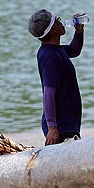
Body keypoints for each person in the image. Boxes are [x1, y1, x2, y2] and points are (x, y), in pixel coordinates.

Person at [27, 9, 84, 146]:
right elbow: (48, 93)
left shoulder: (55, 51)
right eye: (57, 20)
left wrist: (79, 32)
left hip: (67, 122)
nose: (61, 21)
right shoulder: (50, 57)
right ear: (54, 30)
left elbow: (74, 50)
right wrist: (52, 128)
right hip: (61, 125)